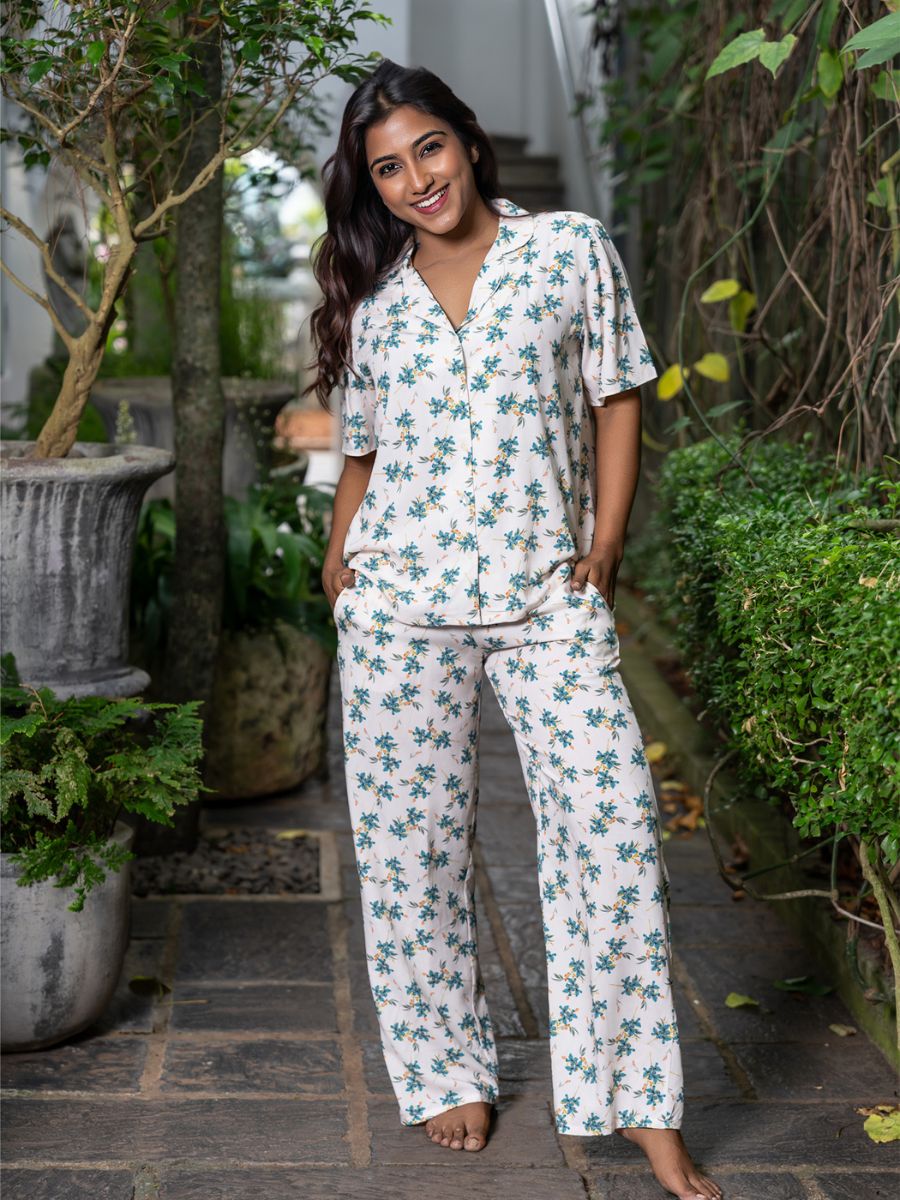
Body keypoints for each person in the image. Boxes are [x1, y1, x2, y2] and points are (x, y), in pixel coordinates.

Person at [307, 58, 722, 1200]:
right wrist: (341, 561)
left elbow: (618, 393)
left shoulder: (568, 250)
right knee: (409, 852)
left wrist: (606, 545)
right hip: (400, 601)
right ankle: (447, 1071)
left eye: (427, 149)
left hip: (548, 592)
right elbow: (362, 450)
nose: (414, 180)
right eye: (387, 167)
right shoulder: (376, 298)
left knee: (610, 834)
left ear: (470, 144)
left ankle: (641, 1107)